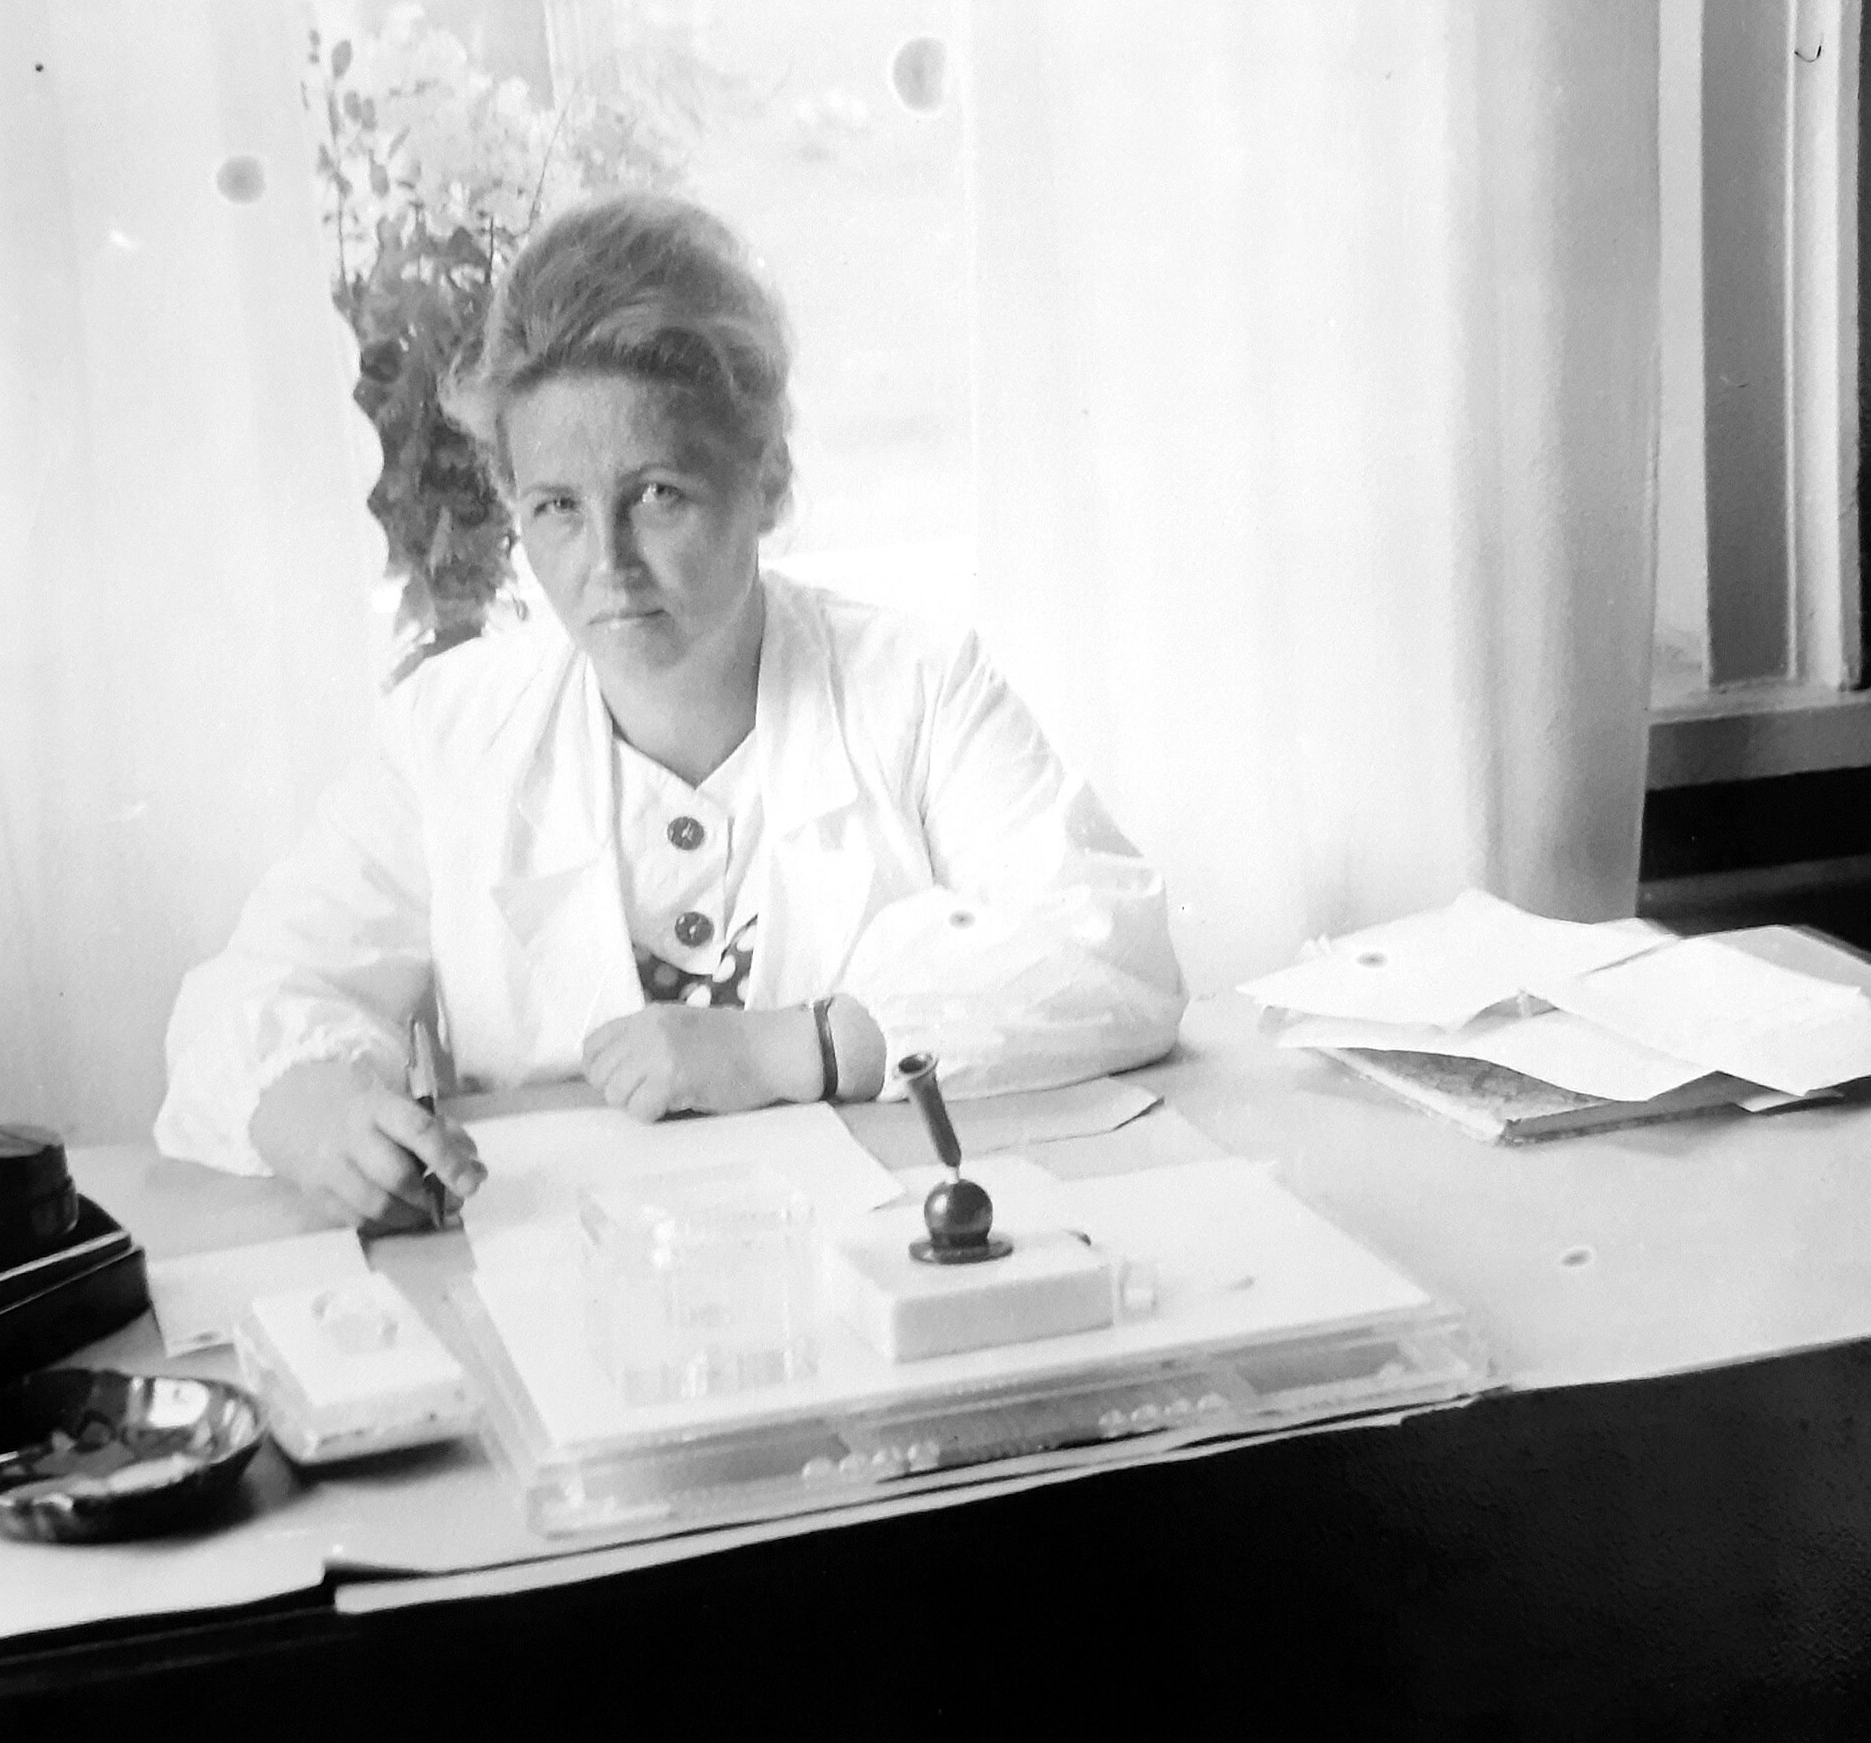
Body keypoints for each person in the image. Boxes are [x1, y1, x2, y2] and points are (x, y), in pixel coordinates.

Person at [155, 193, 1185, 1231]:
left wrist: (792, 1047)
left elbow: (1116, 952)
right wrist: (312, 1110)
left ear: (765, 481)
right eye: (557, 507)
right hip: (561, 1272)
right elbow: (250, 996)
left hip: (868, 1260)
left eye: (657, 494)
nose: (606, 564)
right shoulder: (450, 732)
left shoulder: (916, 685)